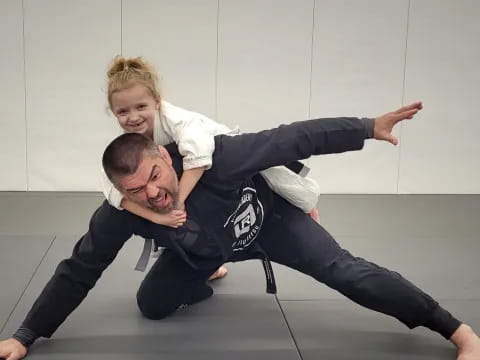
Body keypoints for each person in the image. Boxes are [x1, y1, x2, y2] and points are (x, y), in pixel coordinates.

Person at [1, 103, 479, 360]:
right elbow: (79, 269)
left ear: (165, 158)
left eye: (153, 177)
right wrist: (27, 333)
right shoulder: (123, 212)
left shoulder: (219, 157)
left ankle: (457, 331)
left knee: (345, 271)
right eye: (135, 191)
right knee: (151, 305)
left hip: (273, 226)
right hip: (204, 249)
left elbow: (294, 136)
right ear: (120, 193)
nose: (152, 194)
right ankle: (213, 267)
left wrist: (367, 127)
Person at [102, 56, 321, 278]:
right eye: (123, 112)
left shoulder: (175, 119)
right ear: (113, 112)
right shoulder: (127, 146)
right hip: (190, 172)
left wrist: (177, 203)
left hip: (226, 156)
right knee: (178, 215)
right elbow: (112, 190)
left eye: (141, 106)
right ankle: (209, 264)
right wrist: (159, 218)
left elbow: (198, 159)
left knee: (293, 188)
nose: (133, 117)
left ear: (157, 101)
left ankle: (303, 208)